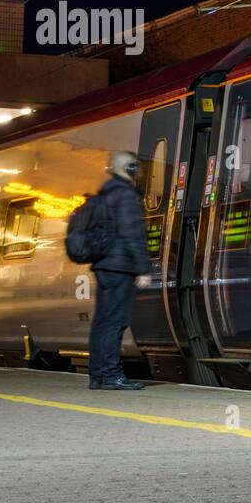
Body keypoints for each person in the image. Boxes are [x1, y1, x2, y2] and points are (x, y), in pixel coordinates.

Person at [88, 151, 152, 390]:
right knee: (115, 322)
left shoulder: (106, 193)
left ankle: (97, 375)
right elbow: (132, 233)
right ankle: (112, 375)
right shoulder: (126, 195)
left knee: (102, 322)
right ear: (131, 169)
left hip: (104, 265)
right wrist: (143, 269)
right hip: (120, 266)